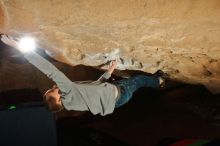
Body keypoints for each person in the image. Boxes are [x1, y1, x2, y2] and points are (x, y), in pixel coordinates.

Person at [1, 35, 165, 116]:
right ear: (59, 100)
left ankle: (155, 81)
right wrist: (17, 46)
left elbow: (94, 89)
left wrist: (108, 72)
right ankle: (160, 80)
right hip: (120, 93)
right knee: (137, 81)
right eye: (54, 91)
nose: (54, 87)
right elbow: (50, 70)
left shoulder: (73, 103)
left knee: (133, 81)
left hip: (116, 100)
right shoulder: (68, 93)